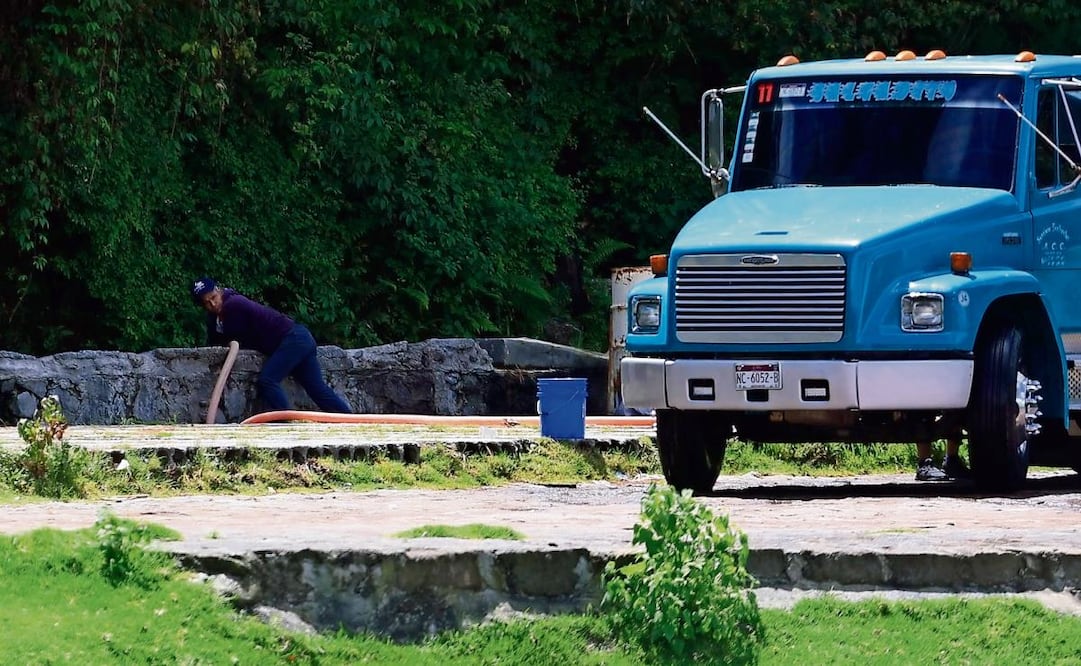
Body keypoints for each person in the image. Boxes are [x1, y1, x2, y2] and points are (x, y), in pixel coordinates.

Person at [191, 277, 352, 414]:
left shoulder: (233, 304)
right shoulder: (216, 317)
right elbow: (214, 342)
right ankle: (351, 421)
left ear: (218, 290)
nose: (213, 303)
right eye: (207, 302)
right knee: (317, 390)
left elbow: (234, 338)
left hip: (292, 339)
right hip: (300, 339)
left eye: (213, 297)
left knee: (268, 380)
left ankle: (286, 426)